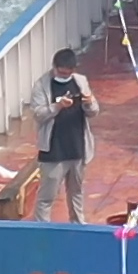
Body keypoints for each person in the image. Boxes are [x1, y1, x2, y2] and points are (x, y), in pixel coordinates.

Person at [38, 50, 97, 222]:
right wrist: (57, 106)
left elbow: (93, 112)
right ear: (54, 67)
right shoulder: (42, 85)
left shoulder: (81, 81)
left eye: (68, 73)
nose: (64, 76)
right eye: (61, 73)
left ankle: (78, 225)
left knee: (76, 193)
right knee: (47, 197)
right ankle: (42, 230)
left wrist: (89, 103)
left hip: (77, 148)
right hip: (54, 151)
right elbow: (39, 115)